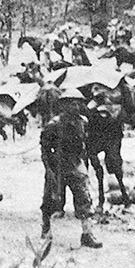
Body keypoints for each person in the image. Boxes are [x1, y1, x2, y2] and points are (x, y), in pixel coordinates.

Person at [39, 89, 102, 248]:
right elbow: (45, 150)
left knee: (84, 199)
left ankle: (87, 234)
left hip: (75, 164)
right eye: (71, 103)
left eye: (77, 102)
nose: (75, 106)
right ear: (64, 105)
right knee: (50, 200)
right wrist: (49, 170)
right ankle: (46, 230)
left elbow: (85, 145)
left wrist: (84, 166)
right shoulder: (53, 125)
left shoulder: (83, 122)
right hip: (57, 165)